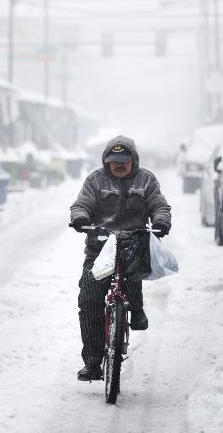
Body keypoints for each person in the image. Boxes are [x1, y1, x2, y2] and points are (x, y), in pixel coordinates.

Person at [69, 135, 172, 381]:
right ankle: (93, 362)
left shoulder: (146, 180)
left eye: (124, 160)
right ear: (106, 161)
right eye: (114, 160)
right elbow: (80, 204)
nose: (119, 165)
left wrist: (161, 221)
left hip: (133, 245)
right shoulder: (95, 181)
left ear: (133, 160)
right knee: (90, 297)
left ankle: (136, 309)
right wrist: (80, 218)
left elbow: (159, 205)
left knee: (133, 269)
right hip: (100, 250)